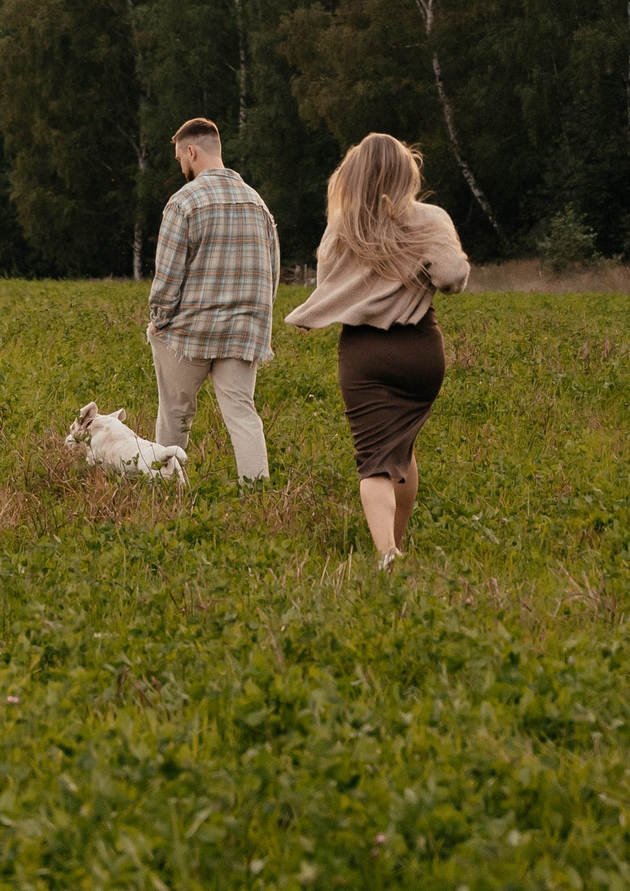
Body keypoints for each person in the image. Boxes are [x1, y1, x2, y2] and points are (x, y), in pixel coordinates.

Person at [284, 133, 470, 568]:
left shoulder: (341, 227)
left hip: (364, 354)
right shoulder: (430, 217)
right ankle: (397, 544)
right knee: (400, 451)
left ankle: (386, 554)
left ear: (354, 173)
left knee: (374, 462)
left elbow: (328, 282)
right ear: (408, 173)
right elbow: (452, 277)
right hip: (421, 351)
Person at [146, 117, 279, 484]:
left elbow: (168, 276)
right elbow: (272, 275)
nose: (181, 166)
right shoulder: (258, 204)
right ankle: (257, 491)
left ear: (192, 151)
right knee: (242, 412)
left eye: (180, 159)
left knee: (176, 412)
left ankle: (168, 483)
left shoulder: (184, 202)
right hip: (243, 333)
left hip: (191, 333)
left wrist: (159, 317)